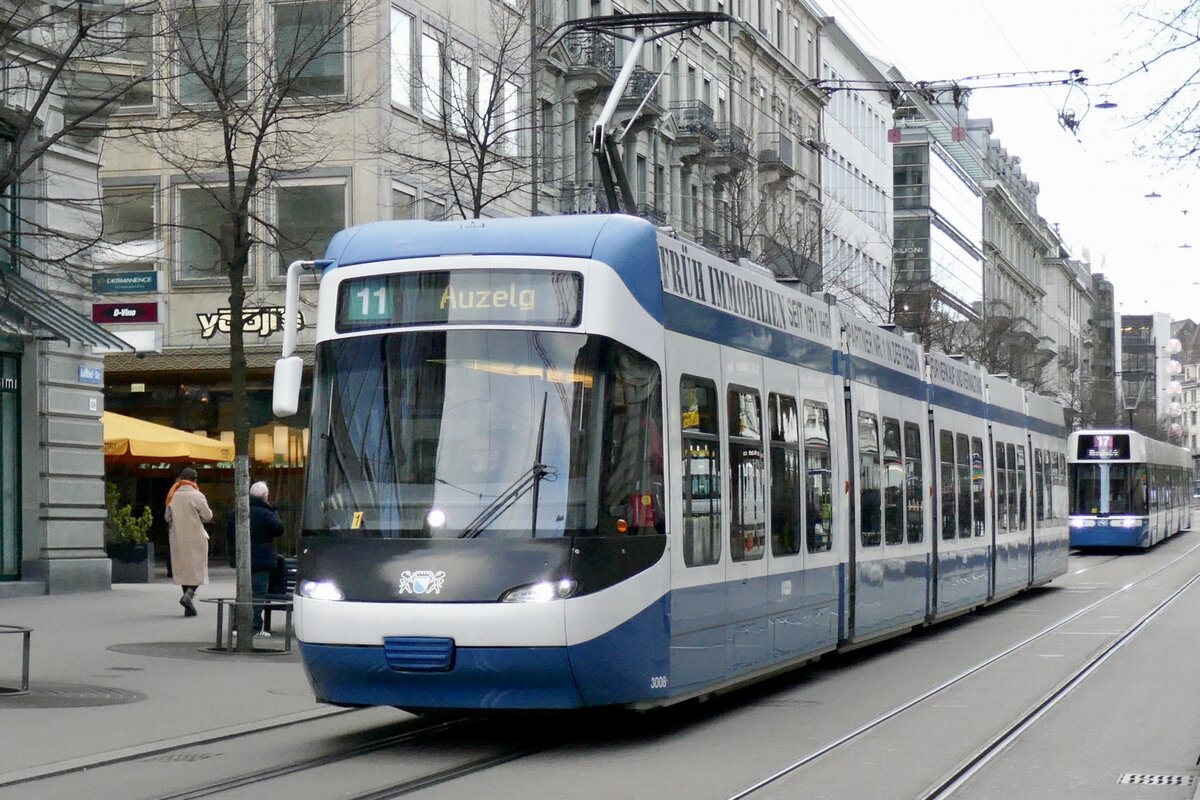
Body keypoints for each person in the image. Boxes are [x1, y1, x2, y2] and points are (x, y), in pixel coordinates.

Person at [227, 481, 285, 637]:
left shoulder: (237, 511)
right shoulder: (266, 512)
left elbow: (229, 533)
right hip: (262, 559)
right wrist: (274, 512)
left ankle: (236, 625)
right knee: (258, 593)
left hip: (242, 559)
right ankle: (254, 627)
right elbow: (279, 529)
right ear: (265, 496)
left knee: (243, 592)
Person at [165, 467, 213, 617]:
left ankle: (188, 606)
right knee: (198, 568)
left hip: (178, 537)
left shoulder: (173, 495)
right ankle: (189, 594)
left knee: (184, 570)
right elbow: (208, 516)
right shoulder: (197, 495)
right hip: (196, 537)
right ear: (195, 480)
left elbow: (167, 518)